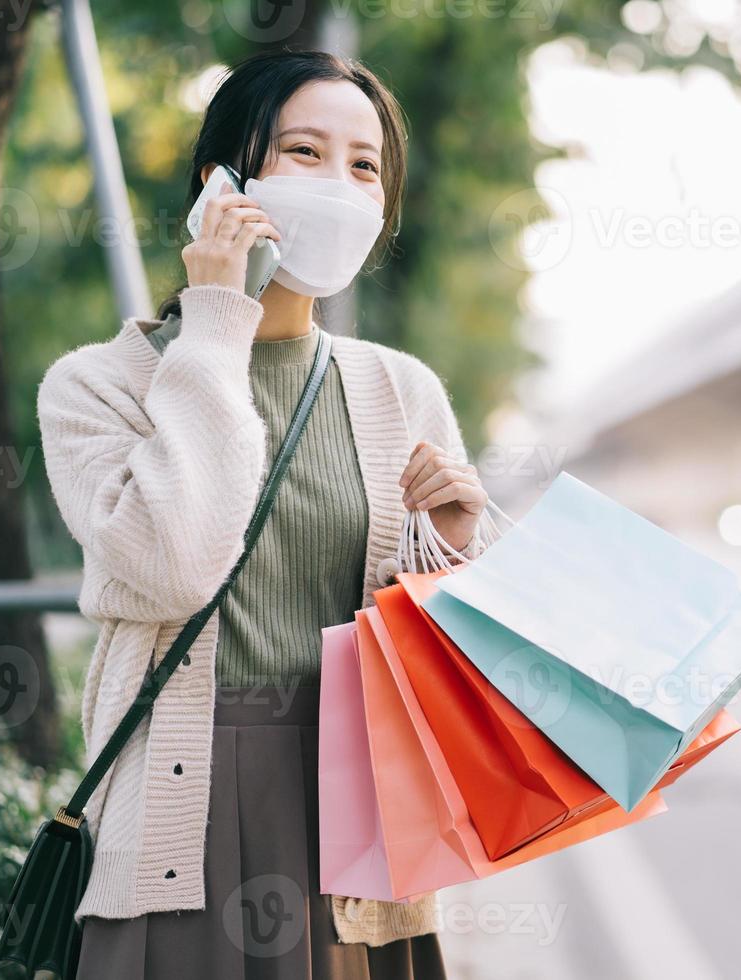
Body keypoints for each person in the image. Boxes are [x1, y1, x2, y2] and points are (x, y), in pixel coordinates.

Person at [36, 51, 490, 979]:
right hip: (179, 811)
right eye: (304, 152)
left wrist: (452, 546)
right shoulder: (97, 388)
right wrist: (213, 320)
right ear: (221, 184)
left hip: (357, 821)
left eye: (365, 166)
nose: (340, 185)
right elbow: (174, 563)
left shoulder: (400, 391)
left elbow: (442, 654)